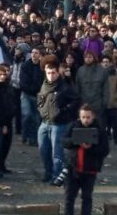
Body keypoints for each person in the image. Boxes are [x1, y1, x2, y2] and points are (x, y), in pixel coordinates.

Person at [60, 104, 109, 215]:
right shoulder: (73, 126)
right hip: (73, 168)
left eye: (88, 117)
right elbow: (63, 141)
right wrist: (75, 141)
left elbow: (105, 150)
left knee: (87, 197)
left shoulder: (100, 130)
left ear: (93, 117)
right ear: (79, 117)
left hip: (90, 169)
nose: (85, 120)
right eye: (83, 117)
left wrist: (91, 148)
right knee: (69, 197)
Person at [37, 56, 78, 186]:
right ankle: (48, 172)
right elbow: (39, 98)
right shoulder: (44, 84)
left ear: (57, 72)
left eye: (53, 73)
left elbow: (76, 101)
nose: (50, 75)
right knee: (43, 150)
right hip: (44, 122)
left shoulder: (65, 87)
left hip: (59, 125)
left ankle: (57, 176)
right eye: (48, 73)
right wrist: (40, 109)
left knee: (57, 153)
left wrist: (64, 111)